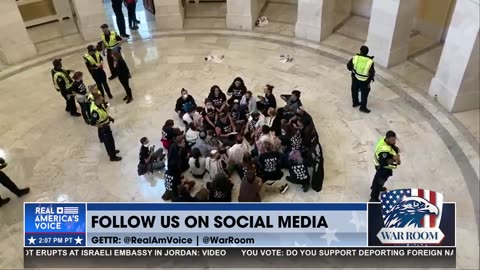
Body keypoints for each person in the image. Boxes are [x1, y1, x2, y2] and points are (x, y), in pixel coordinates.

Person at [89, 93, 122, 161]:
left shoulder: (99, 105)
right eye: (101, 99)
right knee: (109, 142)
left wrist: (109, 118)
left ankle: (111, 152)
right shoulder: (95, 111)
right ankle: (112, 157)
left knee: (108, 142)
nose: (103, 99)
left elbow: (103, 114)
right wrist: (100, 126)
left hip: (106, 125)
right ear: (97, 100)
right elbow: (92, 123)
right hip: (104, 128)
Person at [370, 131, 400, 202]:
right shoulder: (384, 150)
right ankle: (373, 198)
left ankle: (376, 187)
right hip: (383, 169)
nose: (394, 141)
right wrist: (394, 158)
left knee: (379, 180)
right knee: (378, 182)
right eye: (392, 140)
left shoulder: (384, 140)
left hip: (383, 168)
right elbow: (383, 163)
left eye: (395, 139)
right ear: (387, 139)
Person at [347, 45, 375, 113]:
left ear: (360, 51)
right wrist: (370, 79)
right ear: (367, 52)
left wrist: (354, 70)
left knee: (354, 90)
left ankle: (355, 102)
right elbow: (371, 72)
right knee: (364, 93)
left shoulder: (355, 58)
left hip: (355, 77)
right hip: (365, 80)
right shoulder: (370, 61)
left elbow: (349, 66)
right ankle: (363, 107)